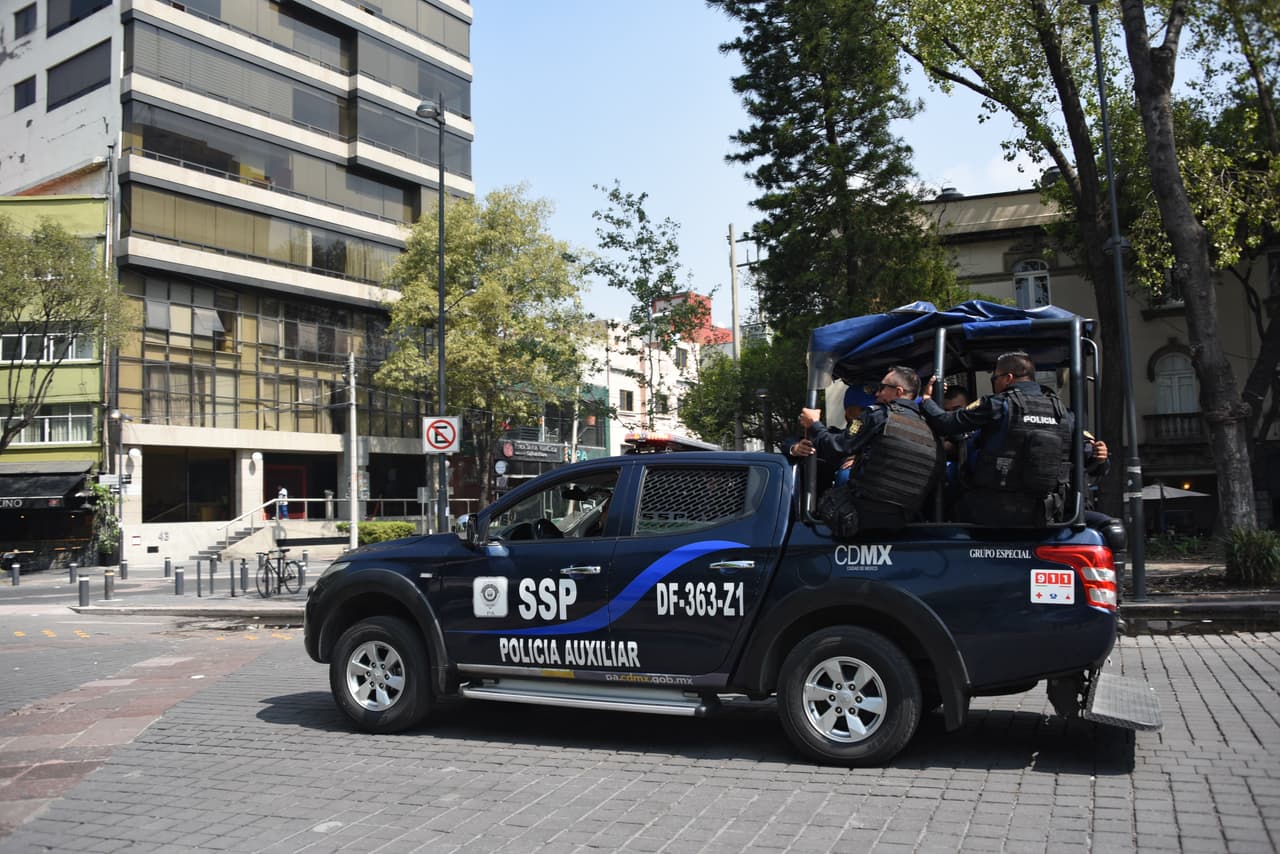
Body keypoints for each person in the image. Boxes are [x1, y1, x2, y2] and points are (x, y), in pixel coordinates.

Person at [920, 351, 1073, 526]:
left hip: (992, 511)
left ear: (1008, 378)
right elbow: (1084, 451)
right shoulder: (1061, 412)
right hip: (1045, 514)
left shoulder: (998, 404)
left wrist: (927, 400)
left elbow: (946, 423)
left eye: (995, 378)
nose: (994, 383)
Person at [796, 366, 941, 534]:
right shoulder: (929, 428)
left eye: (882, 388)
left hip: (861, 516)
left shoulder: (878, 415)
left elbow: (838, 446)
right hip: (903, 521)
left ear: (899, 392)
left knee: (827, 499)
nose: (877, 394)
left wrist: (814, 424)